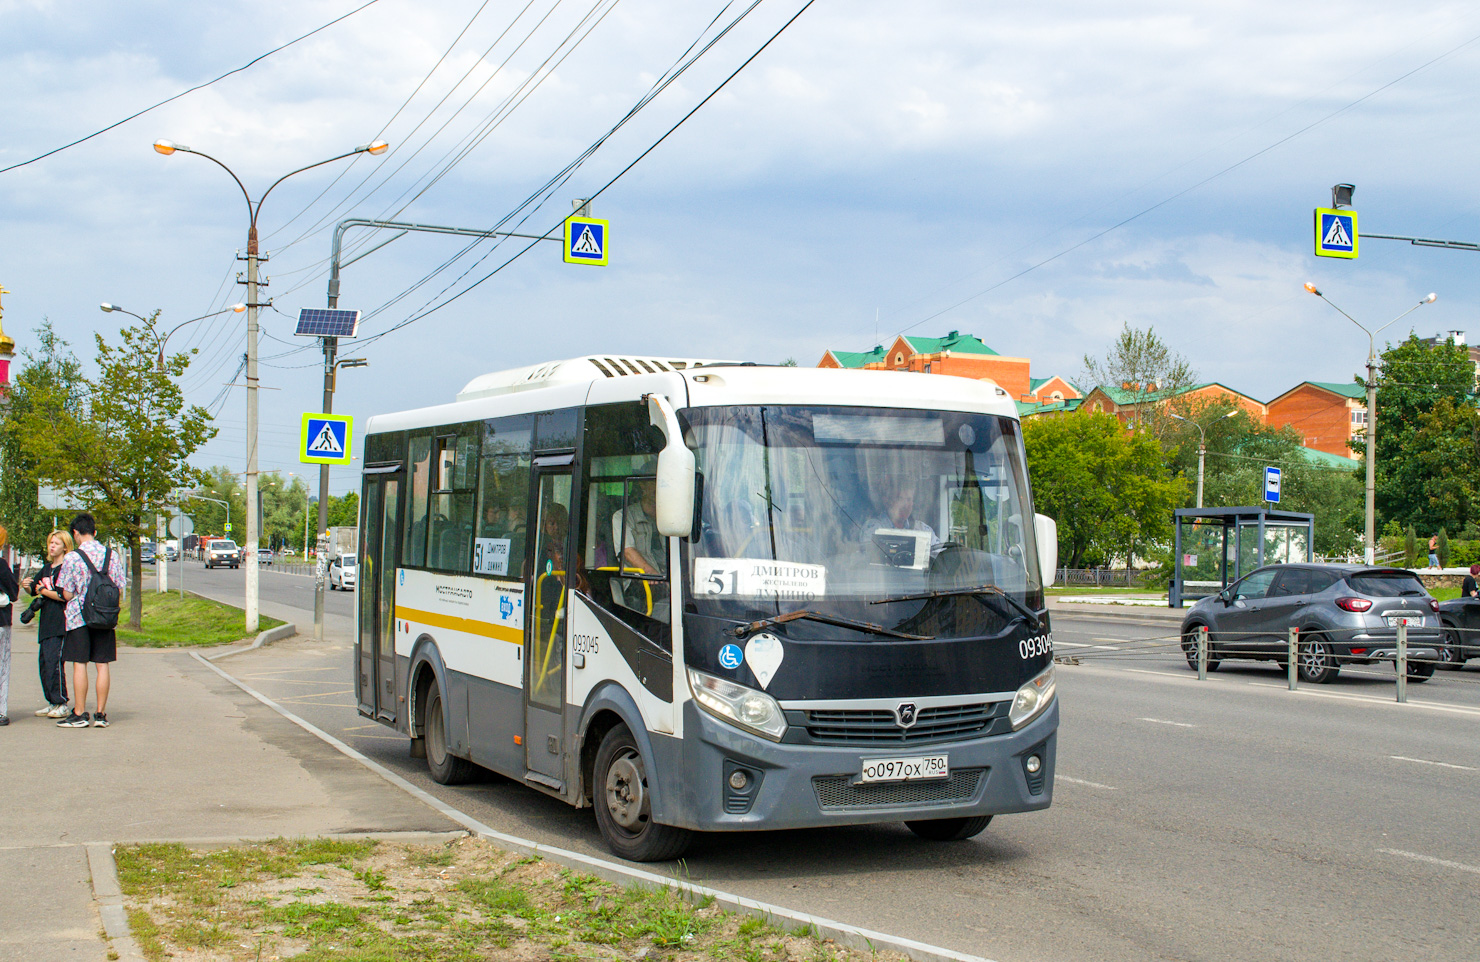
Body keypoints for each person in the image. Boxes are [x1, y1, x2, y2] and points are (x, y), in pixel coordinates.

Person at [55, 512, 125, 729]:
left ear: (75, 533)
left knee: (80, 664)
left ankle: (79, 713)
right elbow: (120, 586)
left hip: (79, 619)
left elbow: (66, 594)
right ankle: (101, 715)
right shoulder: (111, 555)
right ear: (94, 532)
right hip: (104, 617)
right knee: (102, 665)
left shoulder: (72, 558)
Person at [20, 529, 73, 718]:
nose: (51, 546)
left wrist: (42, 590)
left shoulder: (66, 569)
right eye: (50, 542)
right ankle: (52, 701)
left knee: (54, 662)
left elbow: (64, 595)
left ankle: (61, 701)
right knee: (44, 663)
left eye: (56, 543)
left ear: (65, 547)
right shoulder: (46, 568)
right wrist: (28, 587)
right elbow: (35, 590)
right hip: (46, 623)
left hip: (61, 622)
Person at [613, 478, 663, 576]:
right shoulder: (623, 516)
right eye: (653, 481)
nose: (659, 486)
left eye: (662, 482)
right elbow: (628, 552)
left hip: (672, 578)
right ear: (642, 485)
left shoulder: (673, 516)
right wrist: (653, 575)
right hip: (640, 580)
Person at [0, 526, 18, 727]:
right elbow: (13, 593)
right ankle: (0, 712)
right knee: (2, 665)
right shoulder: (2, 565)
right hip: (1, 621)